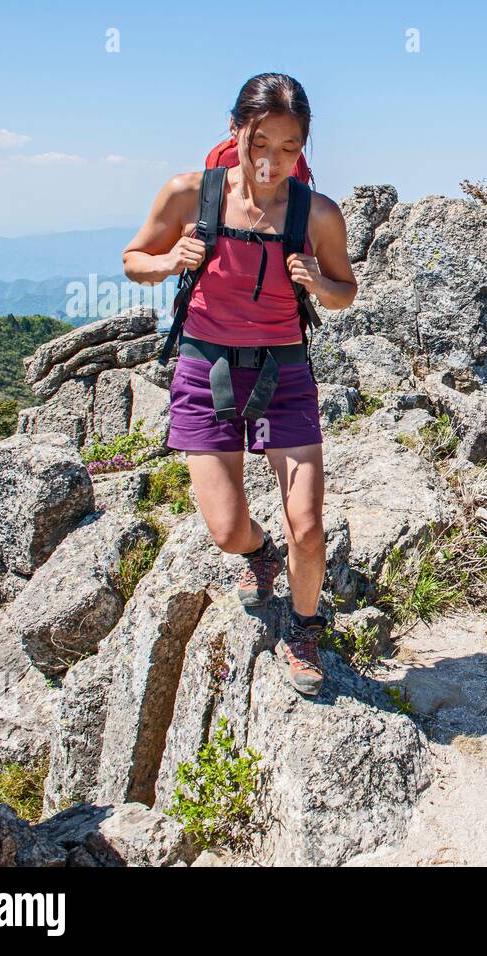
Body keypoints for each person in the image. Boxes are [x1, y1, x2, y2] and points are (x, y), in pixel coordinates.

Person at [122, 73, 358, 696]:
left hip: (283, 369)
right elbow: (132, 259)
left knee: (307, 523)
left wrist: (316, 282)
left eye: (289, 148)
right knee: (227, 530)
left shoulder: (317, 213)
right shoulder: (188, 195)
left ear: (303, 147)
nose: (272, 161)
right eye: (261, 143)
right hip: (206, 366)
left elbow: (345, 291)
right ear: (235, 131)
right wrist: (170, 262)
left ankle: (304, 627)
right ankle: (261, 555)